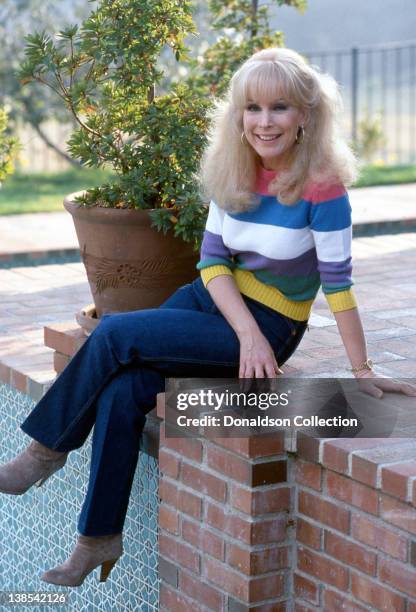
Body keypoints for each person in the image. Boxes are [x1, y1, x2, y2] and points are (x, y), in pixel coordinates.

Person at [0, 47, 414, 588]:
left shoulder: (323, 189)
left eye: (280, 108)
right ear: (239, 115)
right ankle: (98, 536)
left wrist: (361, 371)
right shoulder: (231, 168)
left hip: (273, 324)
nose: (264, 122)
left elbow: (338, 286)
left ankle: (43, 453)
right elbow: (213, 263)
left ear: (305, 116)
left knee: (115, 333)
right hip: (213, 302)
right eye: (253, 108)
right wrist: (241, 328)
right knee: (124, 390)